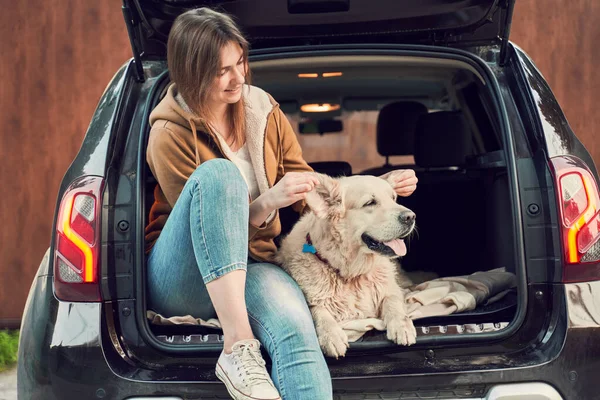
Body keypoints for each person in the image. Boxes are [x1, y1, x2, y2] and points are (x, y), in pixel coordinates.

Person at [144, 7, 418, 400]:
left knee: (296, 327)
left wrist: (374, 191)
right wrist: (266, 202)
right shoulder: (168, 133)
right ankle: (238, 348)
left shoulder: (263, 110)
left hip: (255, 263)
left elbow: (310, 189)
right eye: (223, 70)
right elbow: (205, 230)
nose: (238, 78)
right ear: (192, 71)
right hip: (185, 274)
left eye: (240, 62)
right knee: (219, 176)